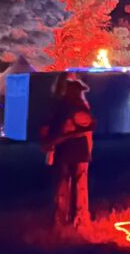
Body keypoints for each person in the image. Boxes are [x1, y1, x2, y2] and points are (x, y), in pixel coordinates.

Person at [40, 77, 96, 231]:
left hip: (72, 151)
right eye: (78, 91)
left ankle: (70, 219)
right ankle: (72, 219)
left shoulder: (66, 107)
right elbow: (89, 126)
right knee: (72, 186)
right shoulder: (70, 108)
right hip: (71, 151)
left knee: (67, 185)